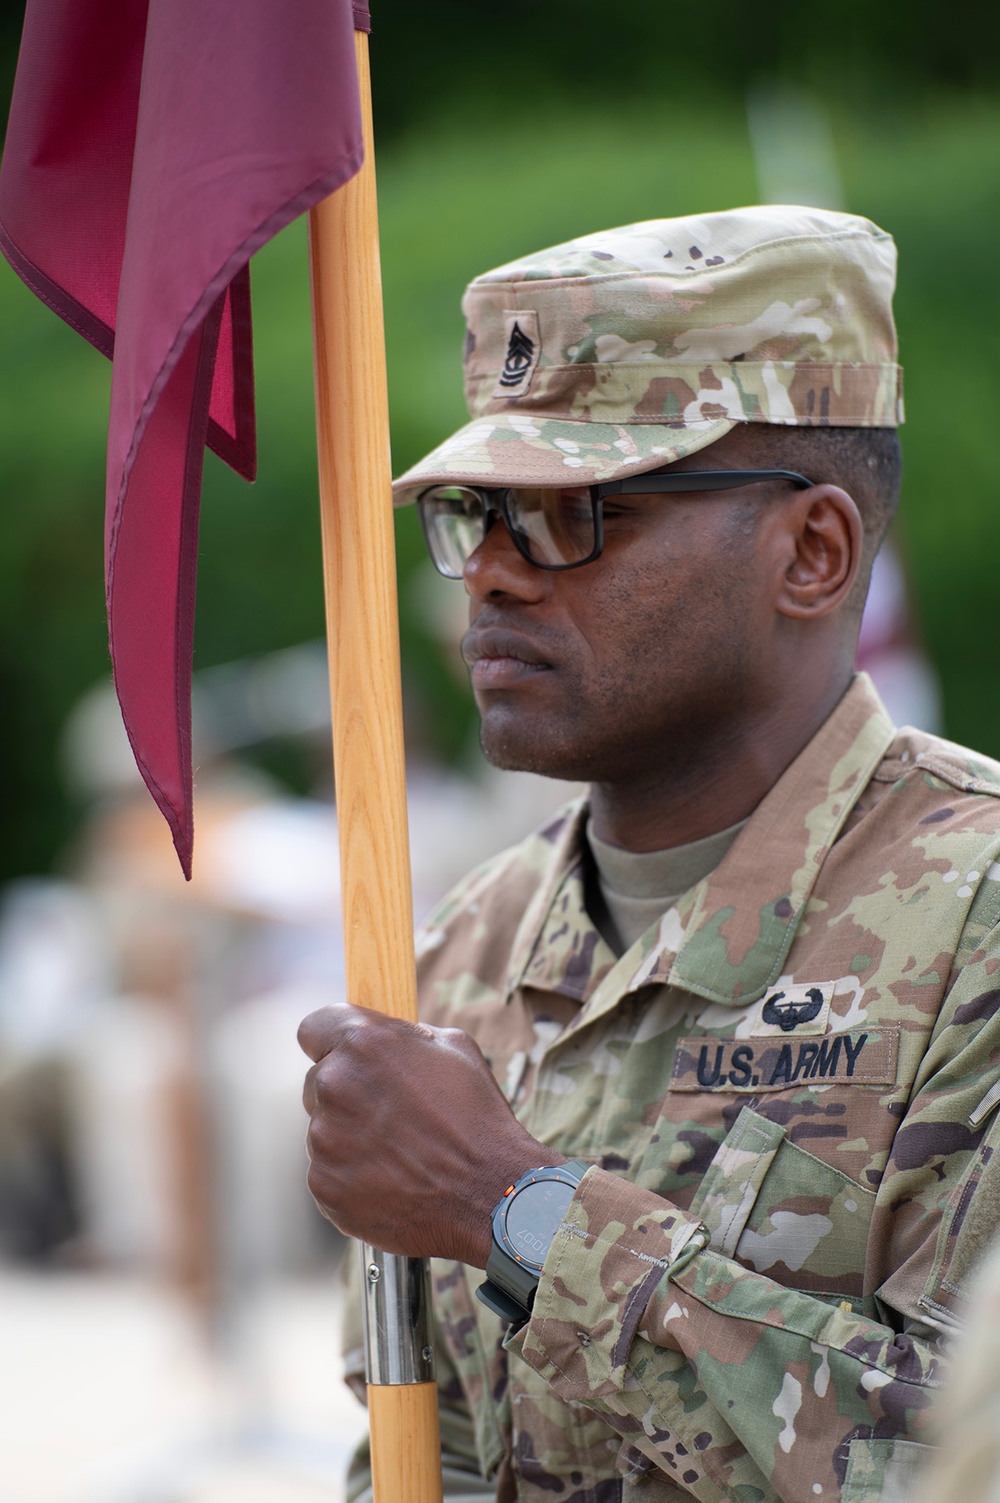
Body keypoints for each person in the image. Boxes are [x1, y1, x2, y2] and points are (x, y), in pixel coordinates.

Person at [299, 206, 1000, 1503]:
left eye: (575, 515)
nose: (495, 577)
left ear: (813, 550)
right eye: (477, 513)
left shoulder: (977, 928)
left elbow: (953, 1459)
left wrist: (513, 1212)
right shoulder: (459, 948)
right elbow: (413, 1454)